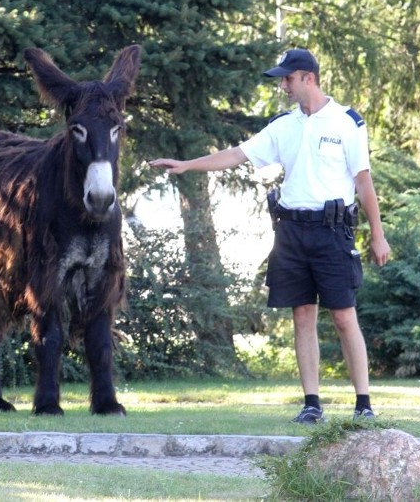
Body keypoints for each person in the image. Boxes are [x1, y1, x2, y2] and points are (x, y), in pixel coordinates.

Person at [149, 48, 390, 424]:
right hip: (291, 233)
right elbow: (237, 155)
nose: (283, 85)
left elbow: (363, 180)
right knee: (302, 315)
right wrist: (186, 166)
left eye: (288, 79)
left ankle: (364, 405)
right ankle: (312, 404)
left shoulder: (347, 122)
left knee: (344, 316)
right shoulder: (284, 125)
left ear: (308, 77)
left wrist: (378, 234)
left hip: (332, 233)